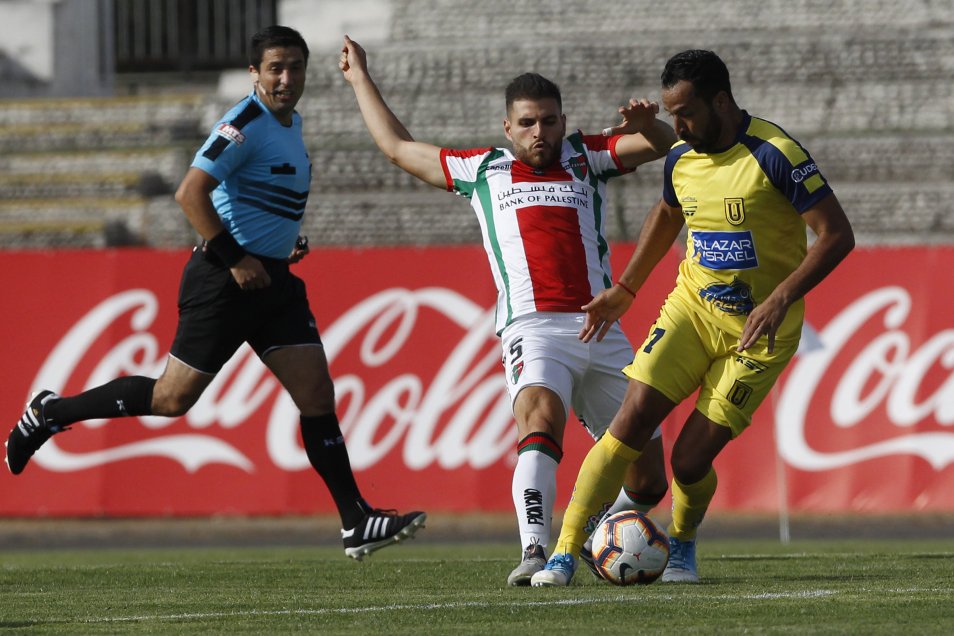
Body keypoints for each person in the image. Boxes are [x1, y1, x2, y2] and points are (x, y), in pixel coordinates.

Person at [6, 25, 426, 561]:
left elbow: (253, 199)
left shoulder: (290, 122)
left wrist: (279, 246)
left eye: (295, 67)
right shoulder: (243, 122)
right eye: (275, 68)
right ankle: (51, 412)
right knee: (171, 399)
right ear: (254, 74)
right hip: (224, 279)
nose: (286, 78)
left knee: (317, 395)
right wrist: (237, 258)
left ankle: (356, 520)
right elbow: (189, 193)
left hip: (271, 281)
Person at [338, 36, 677, 585]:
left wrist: (650, 124)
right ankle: (536, 552)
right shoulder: (482, 169)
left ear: (563, 122)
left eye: (549, 121)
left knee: (649, 481)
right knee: (540, 421)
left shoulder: (586, 157)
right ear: (507, 128)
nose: (540, 132)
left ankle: (592, 536)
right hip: (534, 328)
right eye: (527, 123)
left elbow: (667, 145)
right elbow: (399, 148)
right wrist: (360, 79)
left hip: (602, 327)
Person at [531, 49, 855, 586]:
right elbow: (667, 213)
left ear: (720, 102)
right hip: (693, 310)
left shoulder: (776, 154)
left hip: (759, 332)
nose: (676, 128)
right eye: (670, 115)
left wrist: (780, 298)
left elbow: (837, 235)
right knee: (631, 421)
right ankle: (563, 553)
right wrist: (626, 288)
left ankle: (682, 542)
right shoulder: (682, 156)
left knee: (687, 460)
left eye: (685, 114)